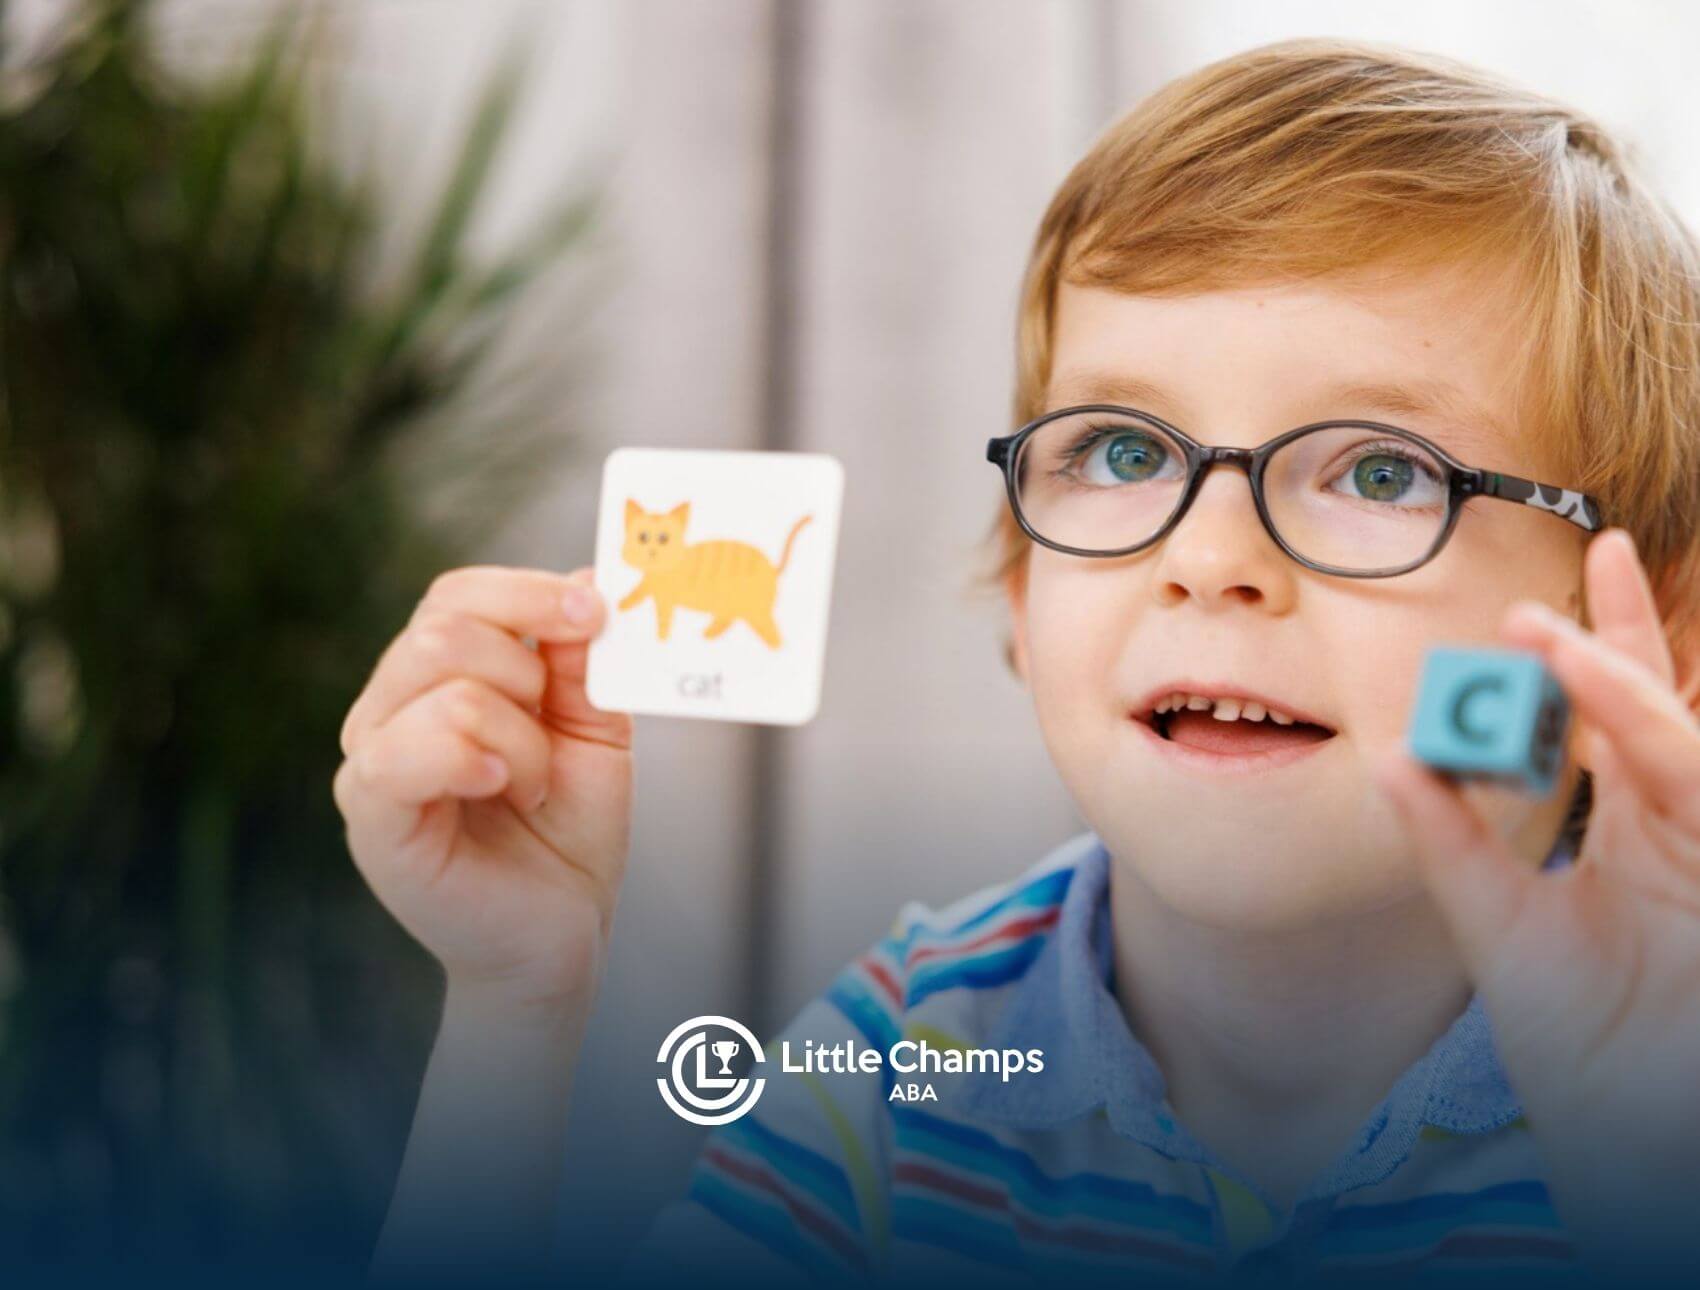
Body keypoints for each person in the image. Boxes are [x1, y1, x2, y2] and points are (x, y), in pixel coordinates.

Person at [332, 39, 1700, 1287]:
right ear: (1016, 577)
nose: (1209, 552)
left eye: (1385, 470)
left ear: (1656, 647)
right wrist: (517, 1008)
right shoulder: (903, 1059)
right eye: (1124, 452)